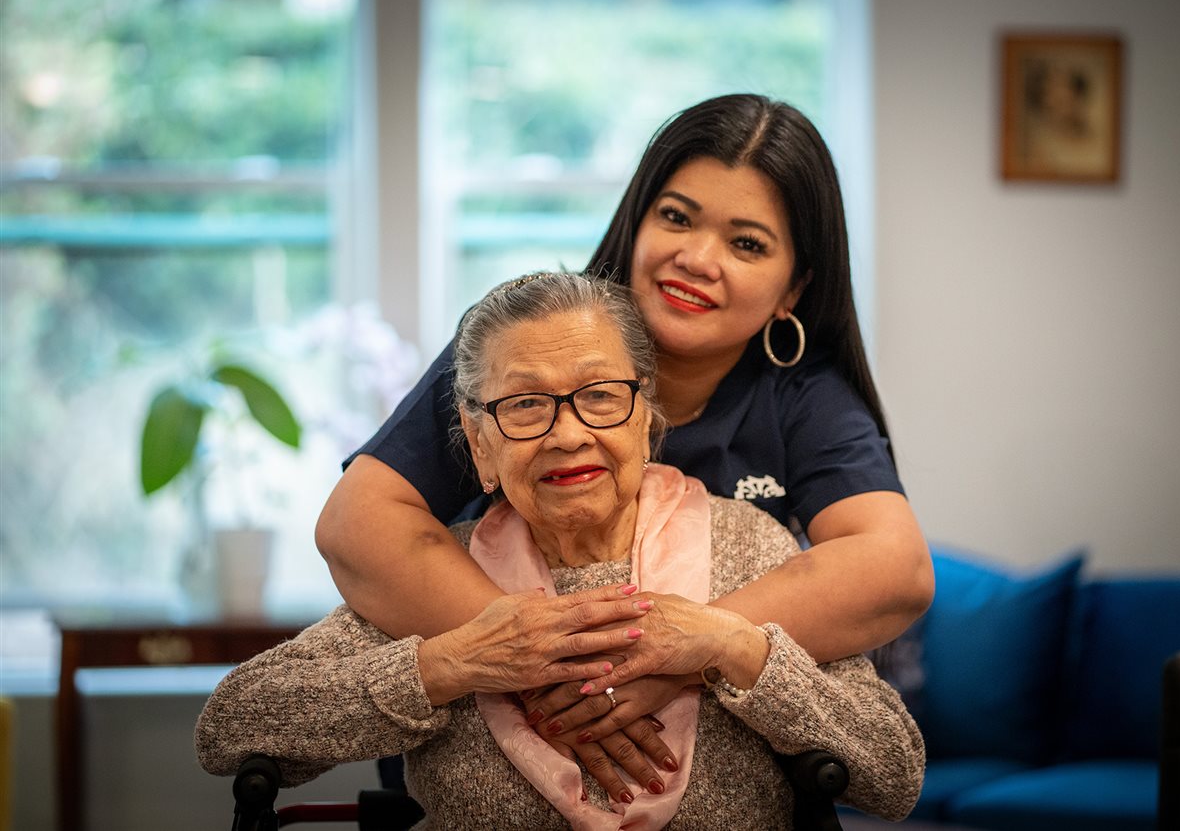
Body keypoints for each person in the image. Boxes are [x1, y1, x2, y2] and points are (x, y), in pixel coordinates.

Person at [315, 94, 933, 782]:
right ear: (635, 221)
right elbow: (355, 522)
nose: (698, 258)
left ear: (794, 288)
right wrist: (538, 666)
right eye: (676, 217)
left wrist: (682, 650)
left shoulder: (804, 394)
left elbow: (896, 568)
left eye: (747, 243)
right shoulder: (518, 342)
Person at [196, 273, 925, 828]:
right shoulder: (438, 580)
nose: (568, 433)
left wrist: (735, 648)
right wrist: (449, 664)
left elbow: (894, 770)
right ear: (479, 447)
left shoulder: (749, 547)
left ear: (646, 418)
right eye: (524, 405)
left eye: (600, 395)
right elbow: (232, 724)